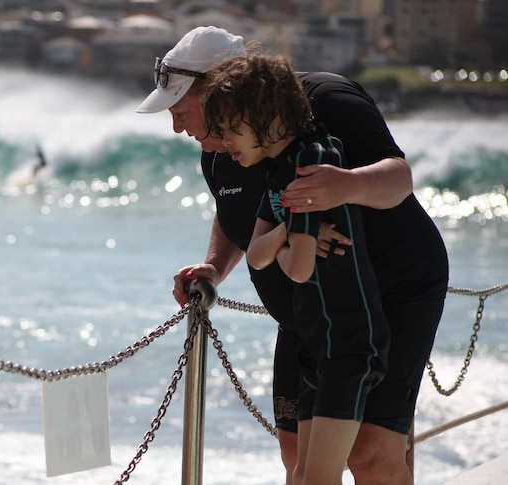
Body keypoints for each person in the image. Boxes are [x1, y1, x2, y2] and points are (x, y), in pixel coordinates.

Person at [137, 27, 448, 485]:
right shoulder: (222, 149)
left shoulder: (324, 102)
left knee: (370, 455)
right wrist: (215, 268)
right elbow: (234, 211)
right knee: (296, 456)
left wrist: (344, 186)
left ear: (225, 86)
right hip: (309, 312)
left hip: (389, 293)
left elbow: (398, 178)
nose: (178, 126)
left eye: (181, 110)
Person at [203, 52, 389, 484]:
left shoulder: (311, 164)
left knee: (317, 478)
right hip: (314, 342)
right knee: (302, 473)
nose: (225, 143)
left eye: (230, 130)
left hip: (346, 341)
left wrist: (282, 238)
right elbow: (255, 254)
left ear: (260, 116)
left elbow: (299, 269)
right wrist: (289, 230)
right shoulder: (275, 173)